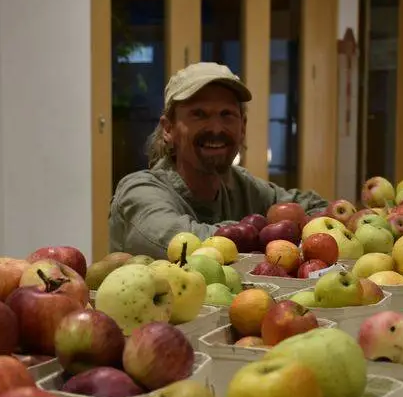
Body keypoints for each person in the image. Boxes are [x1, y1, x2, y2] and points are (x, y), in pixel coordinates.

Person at [109, 62, 329, 258]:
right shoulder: (140, 191)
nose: (216, 128)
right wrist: (276, 230)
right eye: (199, 114)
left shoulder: (242, 186)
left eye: (226, 115)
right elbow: (183, 244)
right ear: (168, 129)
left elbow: (318, 208)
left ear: (242, 126)